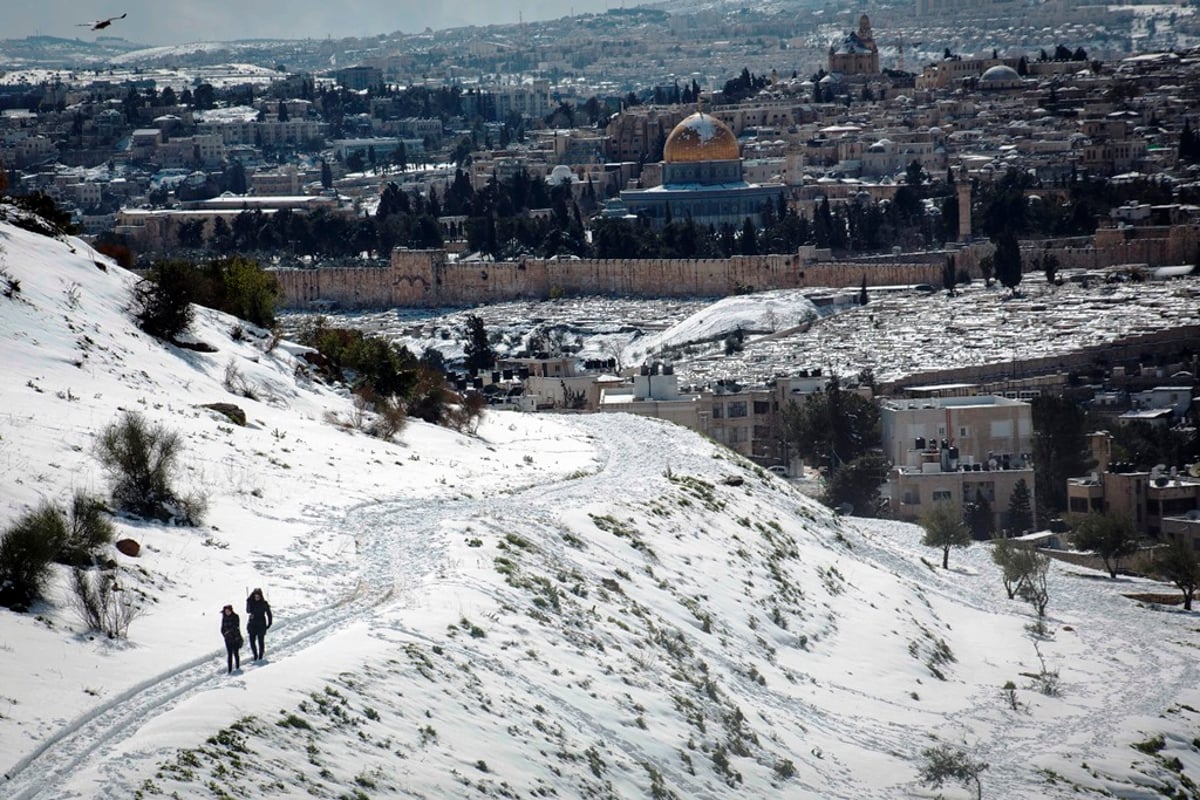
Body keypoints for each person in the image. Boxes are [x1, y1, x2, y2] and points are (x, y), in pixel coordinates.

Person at [245, 588, 273, 662]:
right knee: (252, 641)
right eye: (255, 596)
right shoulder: (251, 602)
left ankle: (260, 655)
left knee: (261, 641)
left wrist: (269, 623)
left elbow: (269, 614)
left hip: (261, 624)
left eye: (258, 596)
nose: (257, 597)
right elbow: (248, 611)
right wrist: (248, 602)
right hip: (252, 624)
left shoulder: (264, 603)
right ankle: (255, 655)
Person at [220, 604, 242, 674]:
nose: (227, 612)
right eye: (226, 611)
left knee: (236, 653)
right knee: (229, 654)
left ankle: (237, 667)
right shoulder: (224, 618)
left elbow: (236, 627)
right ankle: (229, 669)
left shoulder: (235, 616)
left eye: (228, 611)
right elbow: (222, 628)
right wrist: (224, 634)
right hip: (228, 639)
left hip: (235, 638)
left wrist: (229, 632)